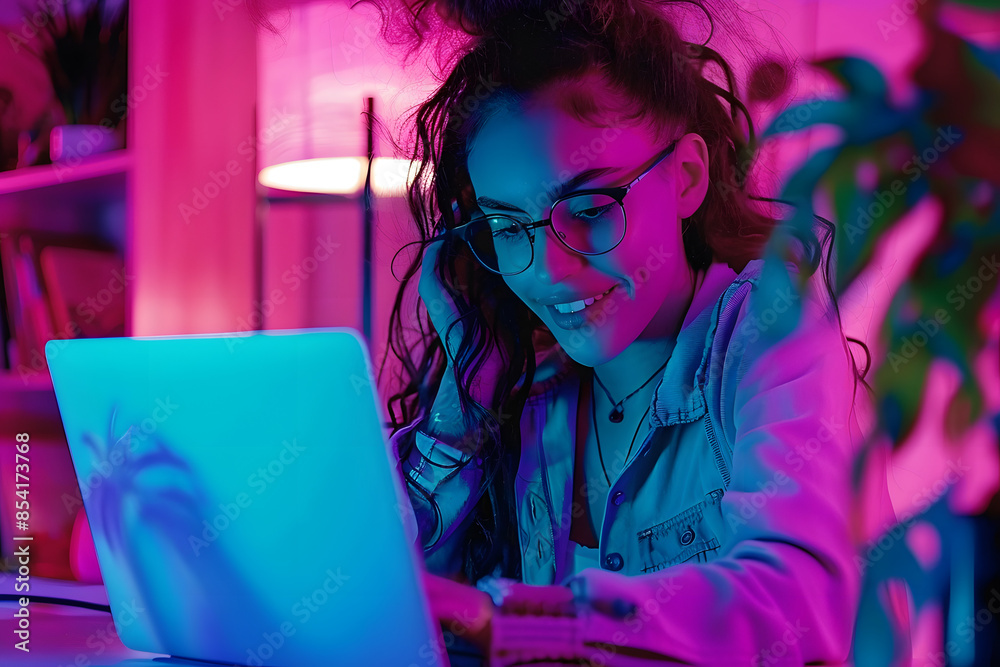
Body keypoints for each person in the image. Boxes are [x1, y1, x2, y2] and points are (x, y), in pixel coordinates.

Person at [365, 1, 908, 664]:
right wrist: (461, 406)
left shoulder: (769, 329)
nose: (549, 271)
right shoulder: (529, 391)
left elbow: (794, 604)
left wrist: (523, 623)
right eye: (510, 228)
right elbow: (378, 616)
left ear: (685, 178)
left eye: (591, 209)